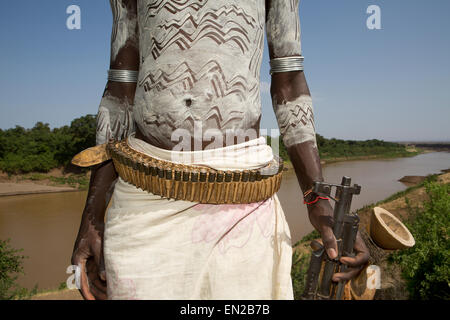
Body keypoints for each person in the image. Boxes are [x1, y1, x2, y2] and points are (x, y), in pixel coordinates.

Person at [72, 0, 369, 300]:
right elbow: (121, 88)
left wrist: (316, 197)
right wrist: (92, 216)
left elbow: (289, 82)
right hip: (144, 201)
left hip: (244, 203)